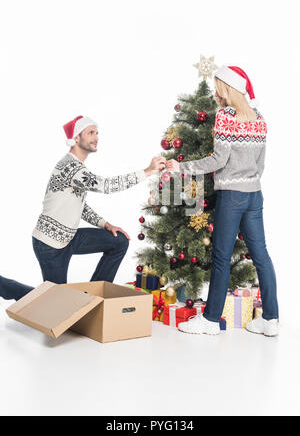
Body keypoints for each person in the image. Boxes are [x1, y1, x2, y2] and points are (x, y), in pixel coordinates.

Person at [0, 115, 166, 301]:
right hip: (50, 244)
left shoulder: (77, 167)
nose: (96, 137)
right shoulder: (71, 167)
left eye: (97, 133)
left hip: (69, 237)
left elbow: (80, 206)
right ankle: (6, 287)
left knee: (118, 241)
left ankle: (93, 299)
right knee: (53, 305)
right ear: (76, 138)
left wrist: (105, 224)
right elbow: (106, 185)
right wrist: (147, 171)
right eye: (90, 132)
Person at [166, 65, 279, 337]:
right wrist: (248, 180)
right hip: (255, 193)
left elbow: (218, 160)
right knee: (261, 255)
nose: (216, 91)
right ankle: (271, 319)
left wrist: (180, 167)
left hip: (232, 195)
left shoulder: (226, 117)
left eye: (218, 86)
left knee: (220, 257)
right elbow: (261, 164)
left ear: (226, 88)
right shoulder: (259, 117)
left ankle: (211, 319)